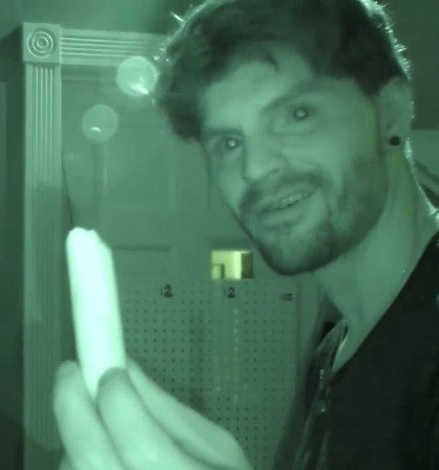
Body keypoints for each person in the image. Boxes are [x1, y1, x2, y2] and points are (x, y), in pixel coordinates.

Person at [53, 0, 439, 468]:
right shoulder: (336, 350)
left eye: (298, 114)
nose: (254, 169)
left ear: (391, 113)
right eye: (229, 142)